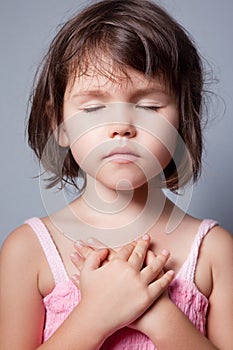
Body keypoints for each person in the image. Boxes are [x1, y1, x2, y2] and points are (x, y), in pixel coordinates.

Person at [0, 0, 232, 349]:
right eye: (93, 108)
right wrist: (98, 312)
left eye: (149, 107)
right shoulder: (27, 250)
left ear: (182, 122)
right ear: (59, 125)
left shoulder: (215, 251)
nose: (121, 127)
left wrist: (156, 313)